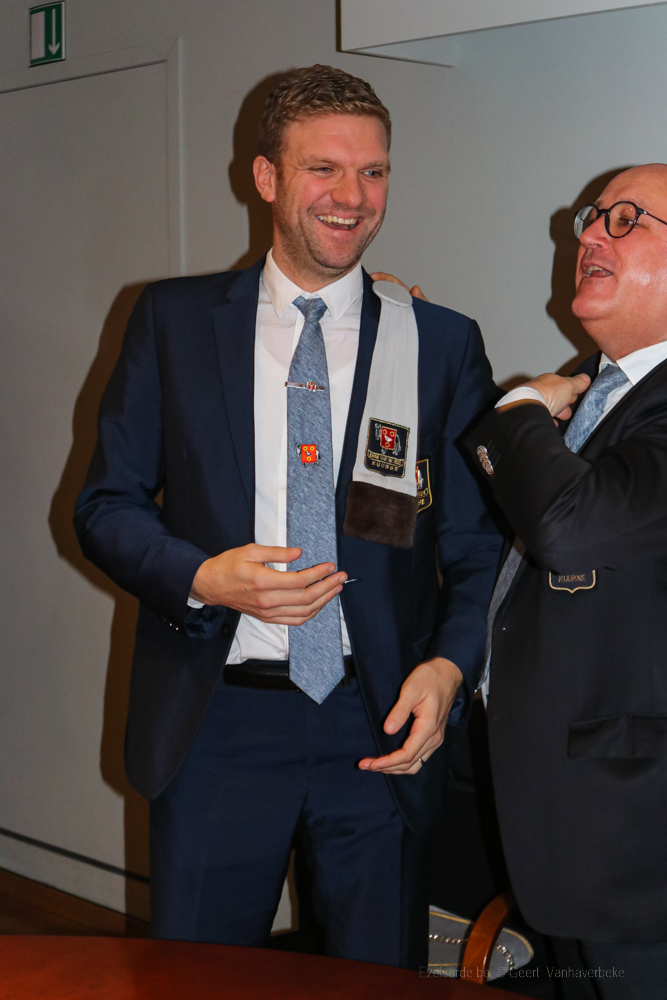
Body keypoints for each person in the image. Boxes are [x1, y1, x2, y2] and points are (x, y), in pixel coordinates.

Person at [75, 64, 501, 969]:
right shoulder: (174, 323)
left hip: (377, 721)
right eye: (324, 169)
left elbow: (475, 546)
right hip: (217, 720)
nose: (352, 197)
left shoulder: (435, 341)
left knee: (376, 982)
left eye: (373, 172)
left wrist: (448, 668)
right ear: (266, 177)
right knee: (197, 980)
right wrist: (200, 576)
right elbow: (104, 506)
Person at [468, 163, 667, 998]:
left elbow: (565, 529)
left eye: (628, 218)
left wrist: (516, 412)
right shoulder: (595, 392)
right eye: (593, 215)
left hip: (640, 847)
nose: (589, 233)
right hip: (573, 825)